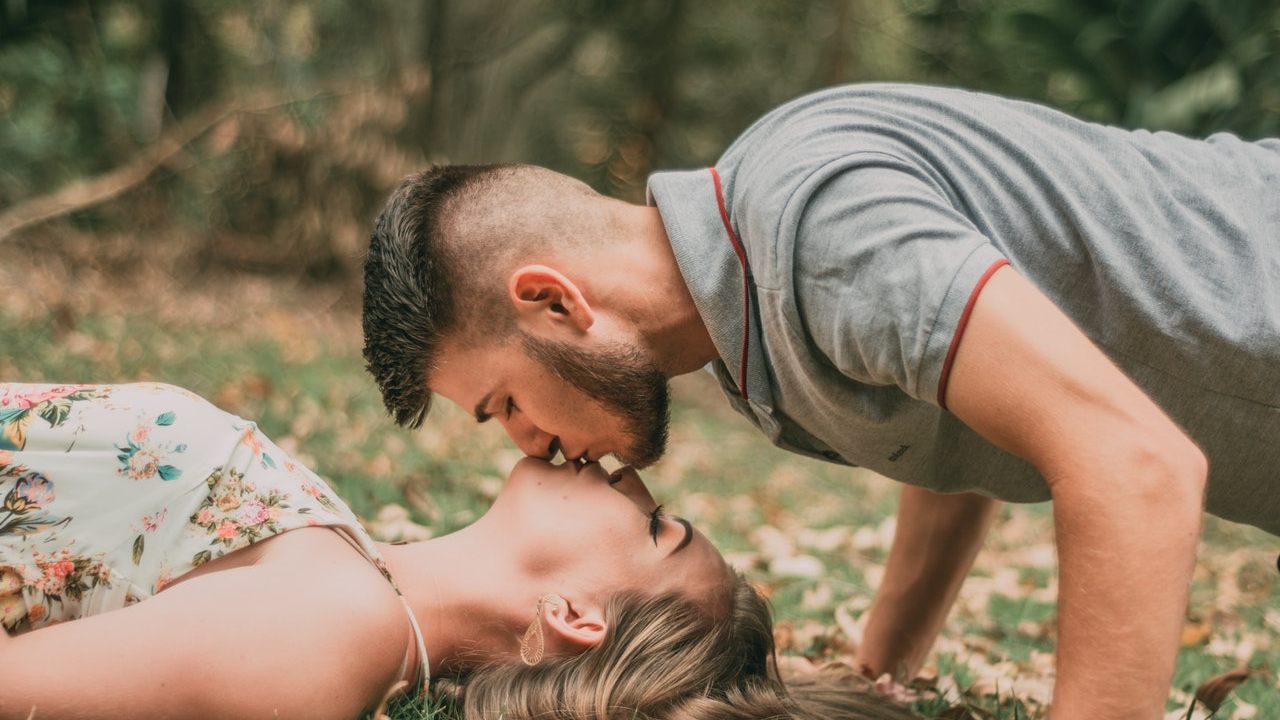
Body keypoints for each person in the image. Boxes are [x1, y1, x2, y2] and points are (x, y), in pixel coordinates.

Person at [360, 83, 1280, 719]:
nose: (532, 445)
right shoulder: (749, 317)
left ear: (556, 302)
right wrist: (883, 669)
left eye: (505, 403)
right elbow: (958, 411)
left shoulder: (817, 229)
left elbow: (1135, 466)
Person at [0, 382, 916, 720]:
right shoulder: (351, 577)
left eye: (655, 524)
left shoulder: (334, 634)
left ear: (575, 617)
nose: (631, 474)